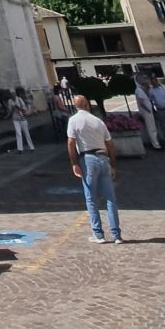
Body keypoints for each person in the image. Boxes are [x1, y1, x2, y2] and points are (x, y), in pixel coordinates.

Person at [66, 93, 122, 244]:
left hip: (88, 159)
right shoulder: (98, 121)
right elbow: (110, 143)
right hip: (104, 158)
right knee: (111, 198)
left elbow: (71, 143)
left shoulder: (73, 120)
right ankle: (116, 235)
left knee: (91, 199)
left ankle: (98, 234)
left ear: (75, 106)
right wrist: (113, 164)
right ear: (88, 105)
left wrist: (74, 163)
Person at [134, 77, 162, 150]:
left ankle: (154, 142)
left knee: (150, 127)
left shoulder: (141, 91)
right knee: (151, 128)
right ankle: (156, 144)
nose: (148, 88)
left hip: (147, 111)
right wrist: (148, 110)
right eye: (148, 87)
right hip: (146, 112)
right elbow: (141, 102)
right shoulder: (139, 91)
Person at [11, 87, 34, 152]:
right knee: (18, 133)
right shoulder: (10, 101)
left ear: (15, 94)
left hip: (22, 118)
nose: (13, 95)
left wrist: (18, 108)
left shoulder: (19, 100)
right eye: (11, 94)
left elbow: (24, 109)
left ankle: (31, 147)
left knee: (26, 133)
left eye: (13, 93)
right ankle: (20, 149)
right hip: (15, 119)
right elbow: (9, 111)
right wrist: (12, 109)